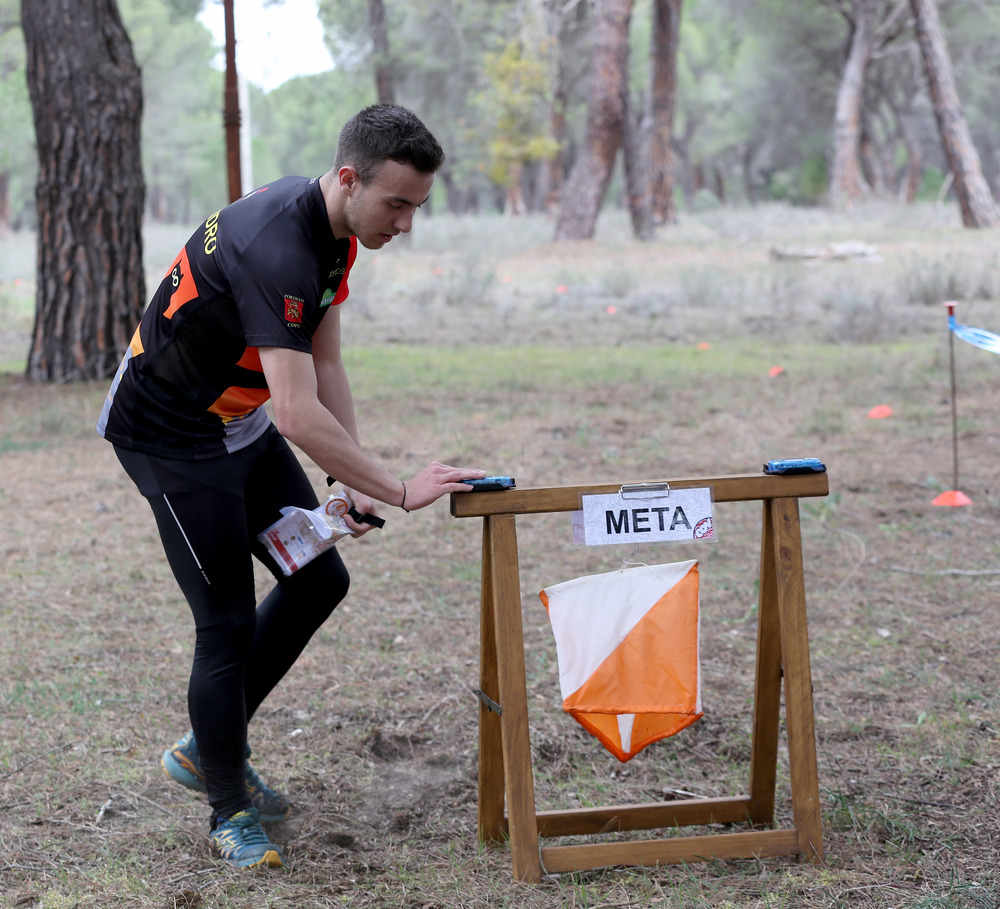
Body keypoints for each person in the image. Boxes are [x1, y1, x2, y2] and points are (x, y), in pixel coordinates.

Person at [97, 104, 486, 870]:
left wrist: (354, 474)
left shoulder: (333, 234)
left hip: (235, 424)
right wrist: (400, 487)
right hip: (168, 435)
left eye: (417, 206)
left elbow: (325, 365)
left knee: (317, 580)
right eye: (397, 204)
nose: (406, 223)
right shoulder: (278, 247)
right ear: (349, 178)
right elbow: (300, 412)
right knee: (227, 624)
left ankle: (205, 749)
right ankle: (227, 808)